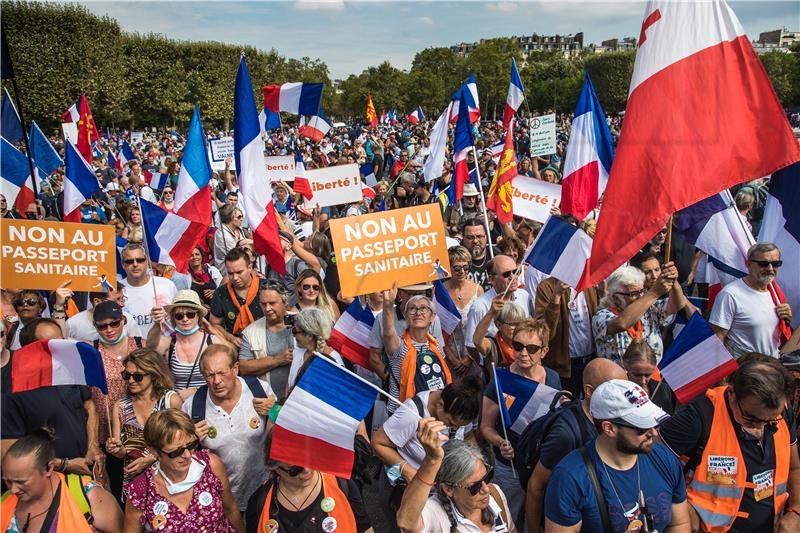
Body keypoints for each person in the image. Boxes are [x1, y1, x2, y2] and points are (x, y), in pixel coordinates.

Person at [658, 357, 800, 533]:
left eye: (770, 420)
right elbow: (650, 466)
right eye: (751, 418)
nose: (760, 427)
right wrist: (680, 509)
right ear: (732, 393)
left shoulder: (782, 412)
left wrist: (796, 510)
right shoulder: (698, 417)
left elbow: (794, 468)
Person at [544, 379, 690, 533]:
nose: (653, 433)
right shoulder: (570, 477)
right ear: (609, 428)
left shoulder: (664, 459)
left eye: (653, 423)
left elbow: (679, 524)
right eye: (641, 428)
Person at [524, 358, 627, 533]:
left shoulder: (612, 421)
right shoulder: (565, 434)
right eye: (614, 389)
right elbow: (536, 486)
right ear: (589, 391)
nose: (624, 397)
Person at [1, 318, 105, 484]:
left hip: (87, 473)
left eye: (61, 341)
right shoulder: (12, 389)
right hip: (49, 483)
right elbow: (9, 450)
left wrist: (93, 447)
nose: (60, 348)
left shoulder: (71, 371)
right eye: (51, 344)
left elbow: (90, 407)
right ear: (30, 348)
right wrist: (64, 465)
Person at [182, 344, 276, 512]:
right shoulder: (193, 407)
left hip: (266, 493)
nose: (216, 381)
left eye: (222, 373)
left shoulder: (260, 391)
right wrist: (190, 442)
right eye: (210, 375)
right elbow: (181, 458)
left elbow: (280, 438)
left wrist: (275, 411)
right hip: (223, 502)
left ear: (235, 369)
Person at [123, 409, 244, 532]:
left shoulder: (211, 466)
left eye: (191, 445)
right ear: (154, 451)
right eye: (176, 451)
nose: (187, 455)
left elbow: (231, 510)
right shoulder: (141, 490)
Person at [396, 418, 516, 532]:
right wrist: (431, 461)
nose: (486, 489)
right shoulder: (436, 513)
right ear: (448, 489)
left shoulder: (495, 493)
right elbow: (406, 523)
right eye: (475, 487)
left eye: (487, 477)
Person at [244, 432, 374, 533]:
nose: (307, 470)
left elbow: (365, 528)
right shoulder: (259, 503)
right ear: (275, 467)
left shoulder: (342, 485)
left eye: (310, 460)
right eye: (295, 469)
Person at [374, 376, 482, 493]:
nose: (455, 428)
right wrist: (408, 472)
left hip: (434, 488)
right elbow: (378, 443)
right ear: (440, 404)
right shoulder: (411, 414)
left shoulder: (459, 409)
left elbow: (468, 436)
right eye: (451, 423)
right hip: (404, 486)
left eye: (460, 426)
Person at [1, 428, 123, 532]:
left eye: (22, 482)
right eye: (8, 481)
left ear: (49, 468)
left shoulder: (90, 496)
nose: (13, 489)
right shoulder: (5, 501)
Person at [106, 348, 182, 488]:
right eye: (126, 375)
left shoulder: (170, 401)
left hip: (168, 480)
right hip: (135, 484)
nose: (131, 380)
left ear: (153, 375)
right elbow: (121, 453)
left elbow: (183, 442)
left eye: (138, 376)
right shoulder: (120, 406)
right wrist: (116, 449)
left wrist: (151, 459)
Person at [592, 263, 687, 363]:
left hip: (652, 376)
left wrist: (673, 280)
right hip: (620, 377)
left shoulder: (649, 309)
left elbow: (678, 304)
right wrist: (653, 293)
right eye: (634, 294)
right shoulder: (602, 316)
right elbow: (622, 323)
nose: (641, 297)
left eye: (642, 291)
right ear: (616, 298)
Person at [710, 242, 793, 358]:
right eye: (763, 264)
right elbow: (716, 339)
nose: (770, 268)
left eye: (775, 264)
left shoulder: (776, 292)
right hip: (744, 368)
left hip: (772, 365)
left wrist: (786, 318)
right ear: (748, 264)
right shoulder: (730, 295)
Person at [382, 286, 452, 404]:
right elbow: (388, 332)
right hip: (404, 413)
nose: (418, 313)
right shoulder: (399, 346)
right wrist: (388, 304)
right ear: (406, 317)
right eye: (412, 309)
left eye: (423, 308)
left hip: (433, 412)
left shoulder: (436, 346)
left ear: (432, 317)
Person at [534, 276, 599, 398]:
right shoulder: (547, 287)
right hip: (564, 369)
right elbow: (544, 332)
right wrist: (556, 296)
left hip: (591, 363)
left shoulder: (589, 283)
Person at [148, 290, 221, 397]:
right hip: (178, 406)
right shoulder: (169, 343)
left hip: (207, 402)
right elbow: (151, 346)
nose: (185, 319)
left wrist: (196, 391)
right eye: (179, 316)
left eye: (190, 314)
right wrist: (156, 324)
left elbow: (225, 375)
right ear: (173, 318)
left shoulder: (212, 342)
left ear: (198, 316)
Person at [465, 255, 532, 355]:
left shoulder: (524, 295)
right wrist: (487, 367)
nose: (513, 277)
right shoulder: (479, 306)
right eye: (506, 274)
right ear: (492, 279)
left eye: (515, 272)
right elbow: (471, 345)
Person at [239, 282, 295, 396]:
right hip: (267, 399)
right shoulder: (250, 332)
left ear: (285, 302)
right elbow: (243, 368)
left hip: (300, 397)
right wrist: (277, 360)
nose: (268, 308)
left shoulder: (302, 322)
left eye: (272, 303)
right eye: (264, 304)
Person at [443, 246, 485, 380]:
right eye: (457, 268)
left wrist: (471, 357)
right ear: (449, 268)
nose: (462, 271)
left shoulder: (478, 290)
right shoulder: (440, 292)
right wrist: (453, 360)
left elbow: (483, 327)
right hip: (449, 358)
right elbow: (436, 332)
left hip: (474, 356)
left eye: (466, 267)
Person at [210, 248, 268, 343]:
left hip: (266, 340)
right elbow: (215, 324)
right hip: (236, 344)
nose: (235, 278)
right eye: (230, 273)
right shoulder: (221, 293)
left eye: (239, 272)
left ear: (249, 267)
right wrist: (231, 338)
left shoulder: (267, 287)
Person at [120, 243, 178, 338]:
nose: (135, 264)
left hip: (163, 347)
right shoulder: (117, 289)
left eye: (140, 260)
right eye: (129, 261)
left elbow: (179, 315)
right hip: (130, 349)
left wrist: (166, 317)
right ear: (123, 265)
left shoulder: (166, 285)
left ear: (147, 261)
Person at [287, 307, 345, 392]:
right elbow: (288, 386)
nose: (294, 336)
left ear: (309, 335)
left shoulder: (334, 359)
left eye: (295, 331)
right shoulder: (297, 353)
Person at [621, 338, 679, 414]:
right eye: (637, 375)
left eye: (647, 375)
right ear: (625, 365)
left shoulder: (663, 390)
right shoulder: (616, 391)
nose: (643, 381)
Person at [472, 300, 527, 368]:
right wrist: (491, 313)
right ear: (498, 325)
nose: (516, 328)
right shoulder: (493, 345)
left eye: (519, 324)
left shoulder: (527, 344)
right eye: (512, 324)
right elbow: (477, 341)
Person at [214, 204, 248, 276]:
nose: (242, 219)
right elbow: (236, 253)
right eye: (239, 217)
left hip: (241, 269)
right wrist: (246, 242)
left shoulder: (239, 229)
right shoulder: (221, 234)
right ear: (231, 218)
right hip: (227, 273)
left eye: (242, 216)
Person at [188, 244, 222, 309]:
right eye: (191, 255)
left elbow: (223, 289)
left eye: (197, 254)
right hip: (198, 312)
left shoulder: (212, 270)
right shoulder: (186, 276)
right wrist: (200, 305)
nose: (194, 257)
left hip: (217, 308)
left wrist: (214, 292)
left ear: (202, 256)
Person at [463, 218, 493, 291]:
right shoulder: (456, 259)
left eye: (479, 236)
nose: (475, 241)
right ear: (463, 238)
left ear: (486, 237)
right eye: (470, 237)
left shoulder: (495, 255)